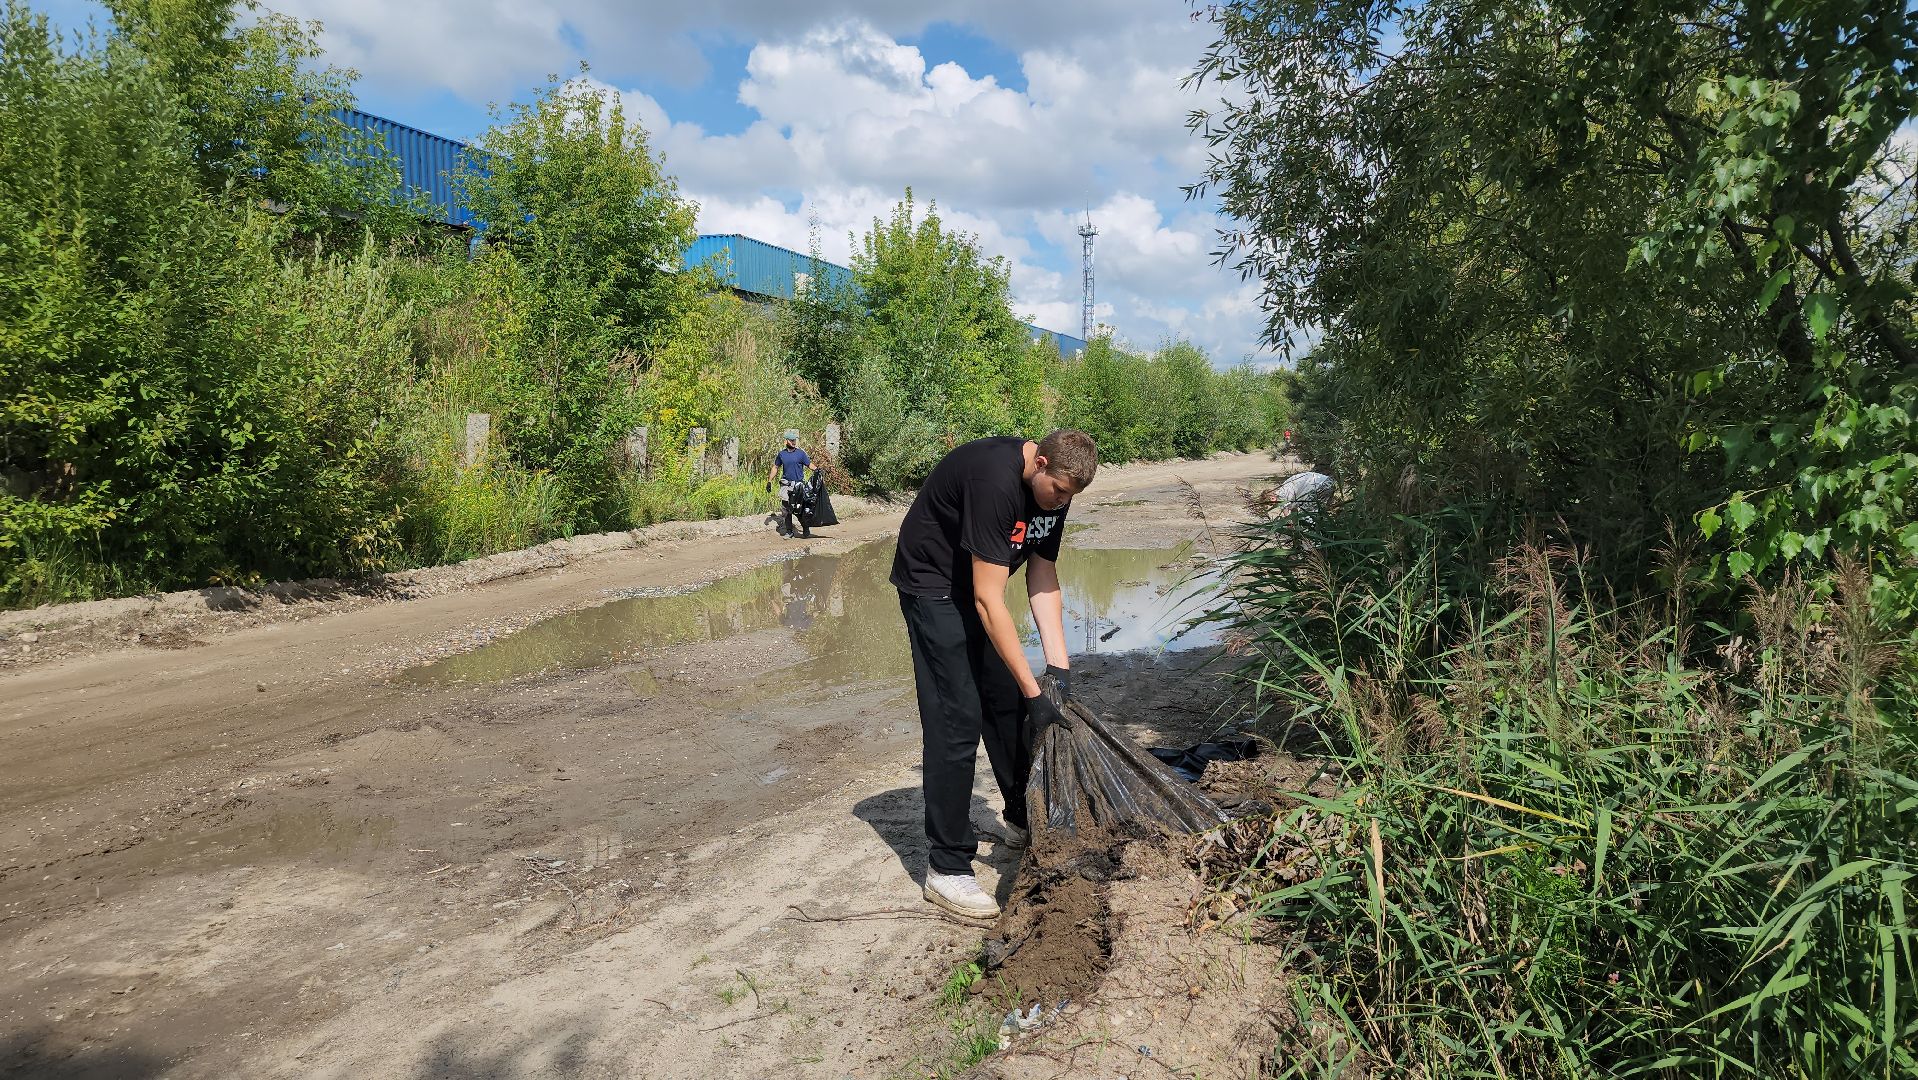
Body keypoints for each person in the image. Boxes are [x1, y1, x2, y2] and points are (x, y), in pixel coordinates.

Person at [890, 429, 1099, 920]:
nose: (1061, 501)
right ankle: (946, 868)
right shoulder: (994, 481)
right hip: (934, 586)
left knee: (1006, 704)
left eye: (1069, 496)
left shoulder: (1055, 490)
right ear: (1040, 462)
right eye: (1059, 490)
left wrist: (1058, 672)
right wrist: (1033, 692)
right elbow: (988, 599)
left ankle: (1023, 820)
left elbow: (1042, 575)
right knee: (957, 719)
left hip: (979, 582)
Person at [768, 430, 812, 538]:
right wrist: (769, 481)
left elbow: (809, 464)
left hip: (798, 486)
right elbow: (775, 467)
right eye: (791, 440)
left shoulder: (801, 453)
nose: (794, 442)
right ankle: (789, 531)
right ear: (786, 441)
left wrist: (818, 470)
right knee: (786, 509)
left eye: (794, 440)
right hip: (786, 485)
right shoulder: (781, 454)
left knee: (798, 509)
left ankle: (805, 527)